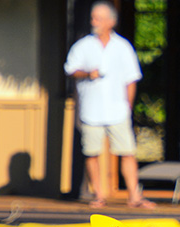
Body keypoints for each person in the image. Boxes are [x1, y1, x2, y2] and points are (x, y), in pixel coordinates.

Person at [64, 1, 155, 209]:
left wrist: (127, 107)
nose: (93, 21)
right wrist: (87, 73)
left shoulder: (122, 47)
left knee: (127, 152)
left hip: (117, 110)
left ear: (111, 22)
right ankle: (99, 195)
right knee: (91, 153)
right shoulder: (82, 45)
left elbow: (131, 79)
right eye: (93, 17)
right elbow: (70, 69)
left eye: (98, 18)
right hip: (90, 110)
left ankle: (134, 196)